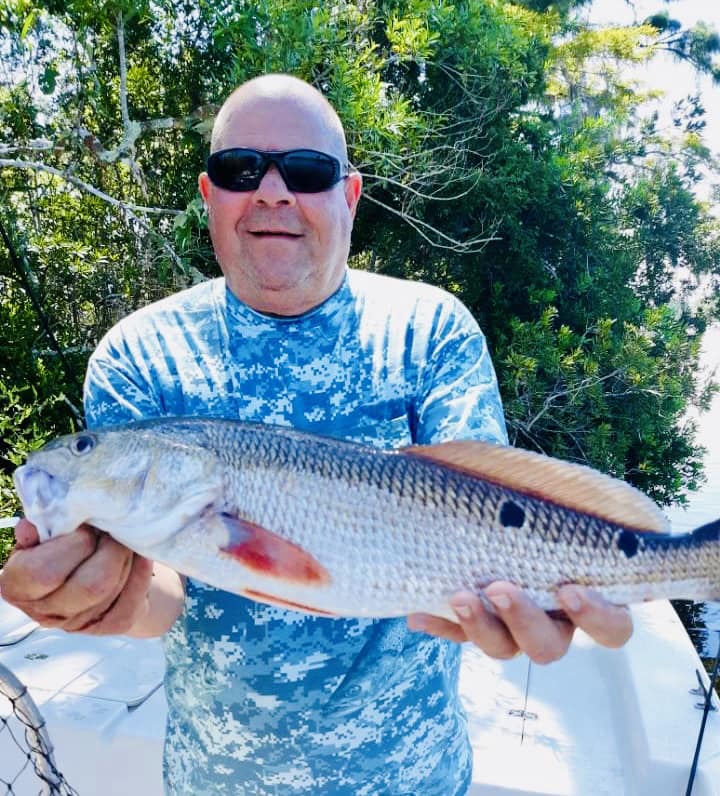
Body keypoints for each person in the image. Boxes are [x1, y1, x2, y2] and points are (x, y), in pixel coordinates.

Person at [0, 74, 632, 795]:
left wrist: (551, 592)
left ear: (350, 197)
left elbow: (489, 507)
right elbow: (162, 588)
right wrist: (99, 599)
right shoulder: (138, 355)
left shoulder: (430, 330)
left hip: (416, 780)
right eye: (241, 170)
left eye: (306, 172)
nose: (272, 192)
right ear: (209, 196)